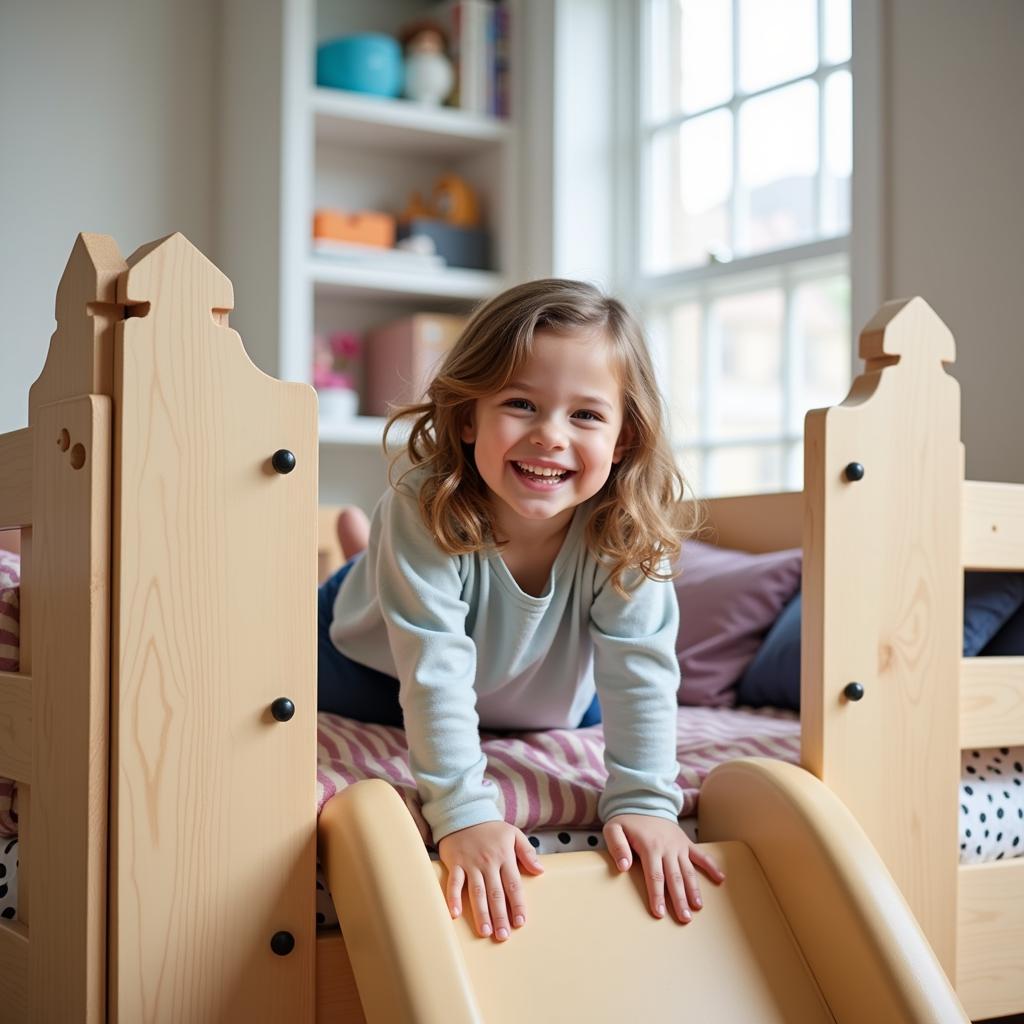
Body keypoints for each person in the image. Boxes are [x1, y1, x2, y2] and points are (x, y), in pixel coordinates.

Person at [319, 279, 724, 943]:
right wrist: (463, 813)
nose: (549, 436)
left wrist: (648, 803)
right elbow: (434, 670)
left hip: (540, 688)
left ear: (624, 439)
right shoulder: (425, 504)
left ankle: (374, 560)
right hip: (368, 666)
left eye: (586, 416)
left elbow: (641, 672)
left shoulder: (625, 529)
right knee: (335, 640)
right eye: (521, 404)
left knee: (596, 699)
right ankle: (367, 564)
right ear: (469, 416)